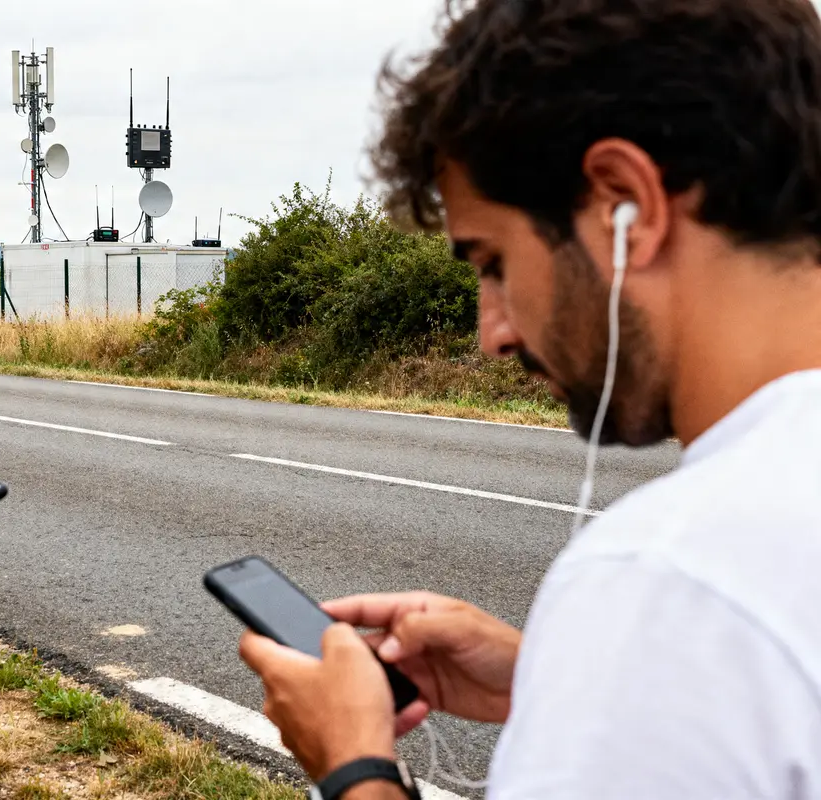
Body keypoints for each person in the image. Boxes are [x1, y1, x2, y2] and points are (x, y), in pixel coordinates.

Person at [239, 0, 821, 797]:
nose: (494, 333)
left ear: (628, 205)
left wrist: (356, 770)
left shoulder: (667, 584)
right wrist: (568, 685)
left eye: (494, 262)